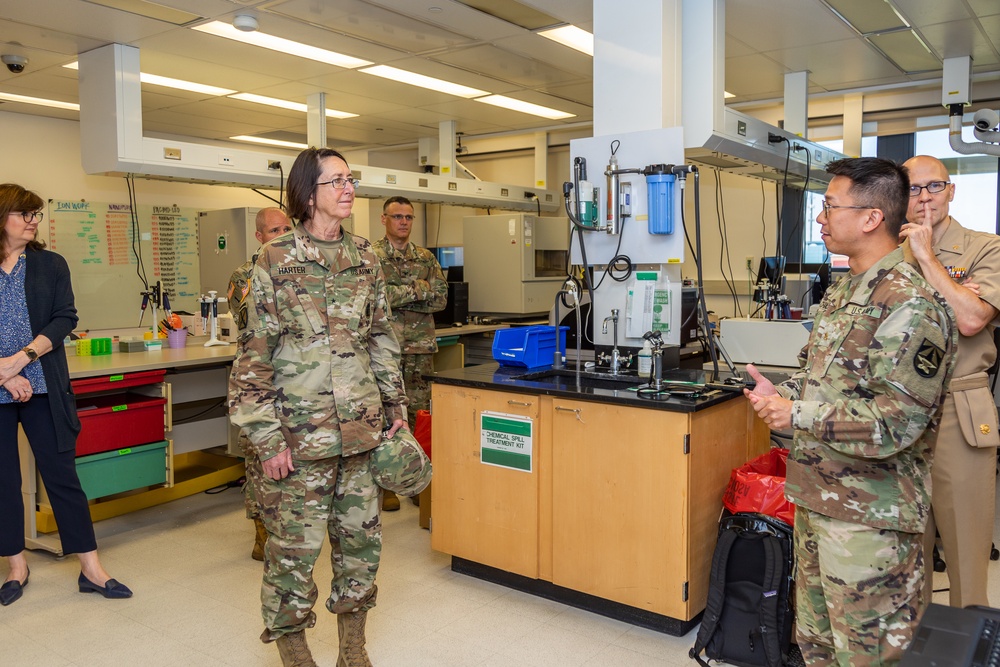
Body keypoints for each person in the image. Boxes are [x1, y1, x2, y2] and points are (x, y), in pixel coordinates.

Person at [744, 158, 957, 664]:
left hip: (871, 521)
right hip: (817, 498)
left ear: (870, 218)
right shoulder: (843, 292)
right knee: (817, 644)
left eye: (829, 207)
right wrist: (777, 391)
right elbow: (819, 376)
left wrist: (795, 414)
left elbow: (894, 422)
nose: (820, 219)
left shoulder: (909, 302)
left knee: (870, 654)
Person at [229, 147, 407, 667]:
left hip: (361, 434)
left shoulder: (367, 258)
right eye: (336, 181)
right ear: (309, 194)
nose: (348, 188)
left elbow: (380, 337)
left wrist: (394, 404)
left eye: (351, 179)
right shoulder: (274, 260)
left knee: (360, 549)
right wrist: (265, 439)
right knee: (292, 556)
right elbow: (253, 357)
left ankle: (354, 651)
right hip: (298, 440)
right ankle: (295, 655)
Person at [0, 183, 133, 606]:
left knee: (62, 478)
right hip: (1, 385)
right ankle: (16, 566)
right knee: (2, 482)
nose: (33, 220)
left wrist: (20, 360)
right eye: (24, 213)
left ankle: (91, 568)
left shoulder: (49, 264)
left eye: (36, 213)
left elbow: (65, 318)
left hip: (42, 385)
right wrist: (3, 376)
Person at [900, 154, 1000, 609]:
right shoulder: (886, 254)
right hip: (899, 414)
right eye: (913, 189)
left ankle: (969, 651)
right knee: (903, 551)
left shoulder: (986, 248)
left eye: (933, 187)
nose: (924, 198)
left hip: (959, 411)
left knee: (965, 550)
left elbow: (972, 317)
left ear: (951, 190)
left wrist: (926, 255)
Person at [372, 196, 446, 512]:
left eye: (409, 217)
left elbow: (441, 299)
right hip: (383, 350)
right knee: (382, 415)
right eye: (398, 216)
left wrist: (399, 296)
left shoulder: (426, 257)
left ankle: (416, 482)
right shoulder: (371, 257)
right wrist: (418, 290)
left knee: (418, 416)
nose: (404, 222)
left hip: (419, 349)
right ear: (384, 219)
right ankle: (386, 485)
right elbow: (376, 300)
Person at [227, 206, 292, 560]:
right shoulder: (245, 274)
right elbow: (248, 319)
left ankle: (288, 531)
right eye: (273, 230)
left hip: (295, 381)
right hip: (258, 377)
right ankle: (260, 533)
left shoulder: (302, 268)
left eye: (286, 228)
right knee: (258, 459)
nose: (281, 236)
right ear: (259, 236)